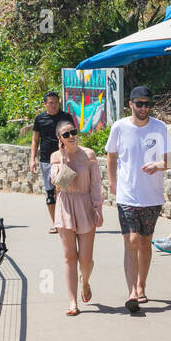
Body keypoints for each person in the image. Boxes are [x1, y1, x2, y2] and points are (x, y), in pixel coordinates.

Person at [106, 86, 171, 312]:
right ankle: (131, 291)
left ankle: (142, 285)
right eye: (139, 104)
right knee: (132, 241)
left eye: (147, 104)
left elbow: (169, 160)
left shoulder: (160, 128)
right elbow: (112, 155)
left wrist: (158, 165)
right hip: (127, 194)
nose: (144, 108)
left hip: (152, 196)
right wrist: (113, 183)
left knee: (145, 243)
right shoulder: (120, 127)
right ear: (130, 105)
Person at [50, 118, 104, 316]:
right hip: (65, 206)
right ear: (60, 139)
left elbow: (96, 184)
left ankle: (86, 280)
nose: (71, 137)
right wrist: (64, 159)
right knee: (69, 257)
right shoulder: (55, 157)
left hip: (85, 204)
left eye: (73, 132)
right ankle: (73, 302)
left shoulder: (89, 155)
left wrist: (98, 208)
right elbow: (60, 184)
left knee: (86, 259)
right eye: (66, 135)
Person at [30, 91, 76, 234]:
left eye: (55, 102)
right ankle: (56, 223)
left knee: (65, 191)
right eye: (50, 102)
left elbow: (73, 135)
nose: (53, 105)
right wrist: (32, 159)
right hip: (46, 160)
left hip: (64, 158)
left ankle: (69, 221)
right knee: (50, 194)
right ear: (45, 104)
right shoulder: (40, 119)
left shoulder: (66, 117)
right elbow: (35, 139)